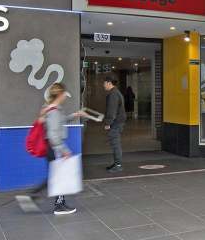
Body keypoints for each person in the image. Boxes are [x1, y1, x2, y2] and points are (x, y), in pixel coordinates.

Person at [20, 83, 88, 215]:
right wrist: (63, 150)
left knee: (55, 176)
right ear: (60, 95)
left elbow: (60, 122)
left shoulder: (51, 108)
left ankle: (33, 196)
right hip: (54, 147)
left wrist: (75, 115)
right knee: (59, 176)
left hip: (51, 146)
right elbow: (53, 134)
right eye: (64, 95)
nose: (65, 97)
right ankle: (58, 205)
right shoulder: (54, 111)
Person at [103, 77, 127, 171]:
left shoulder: (113, 94)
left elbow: (112, 110)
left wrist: (108, 123)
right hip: (117, 122)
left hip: (116, 123)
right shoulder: (115, 92)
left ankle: (118, 165)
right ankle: (116, 163)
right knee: (114, 143)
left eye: (104, 83)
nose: (103, 85)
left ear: (109, 83)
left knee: (115, 143)